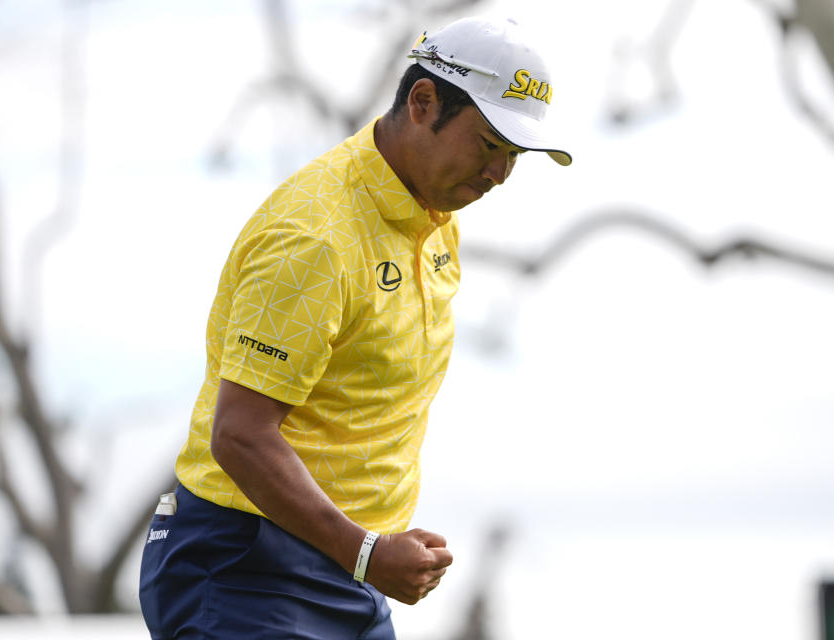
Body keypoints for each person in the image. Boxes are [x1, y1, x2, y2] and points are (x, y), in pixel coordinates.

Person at [139, 15, 571, 640]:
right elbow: (239, 435)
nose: (499, 174)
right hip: (242, 566)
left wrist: (373, 541)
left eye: (514, 156)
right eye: (488, 144)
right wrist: (366, 549)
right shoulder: (315, 236)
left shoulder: (432, 213)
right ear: (423, 102)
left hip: (343, 567)